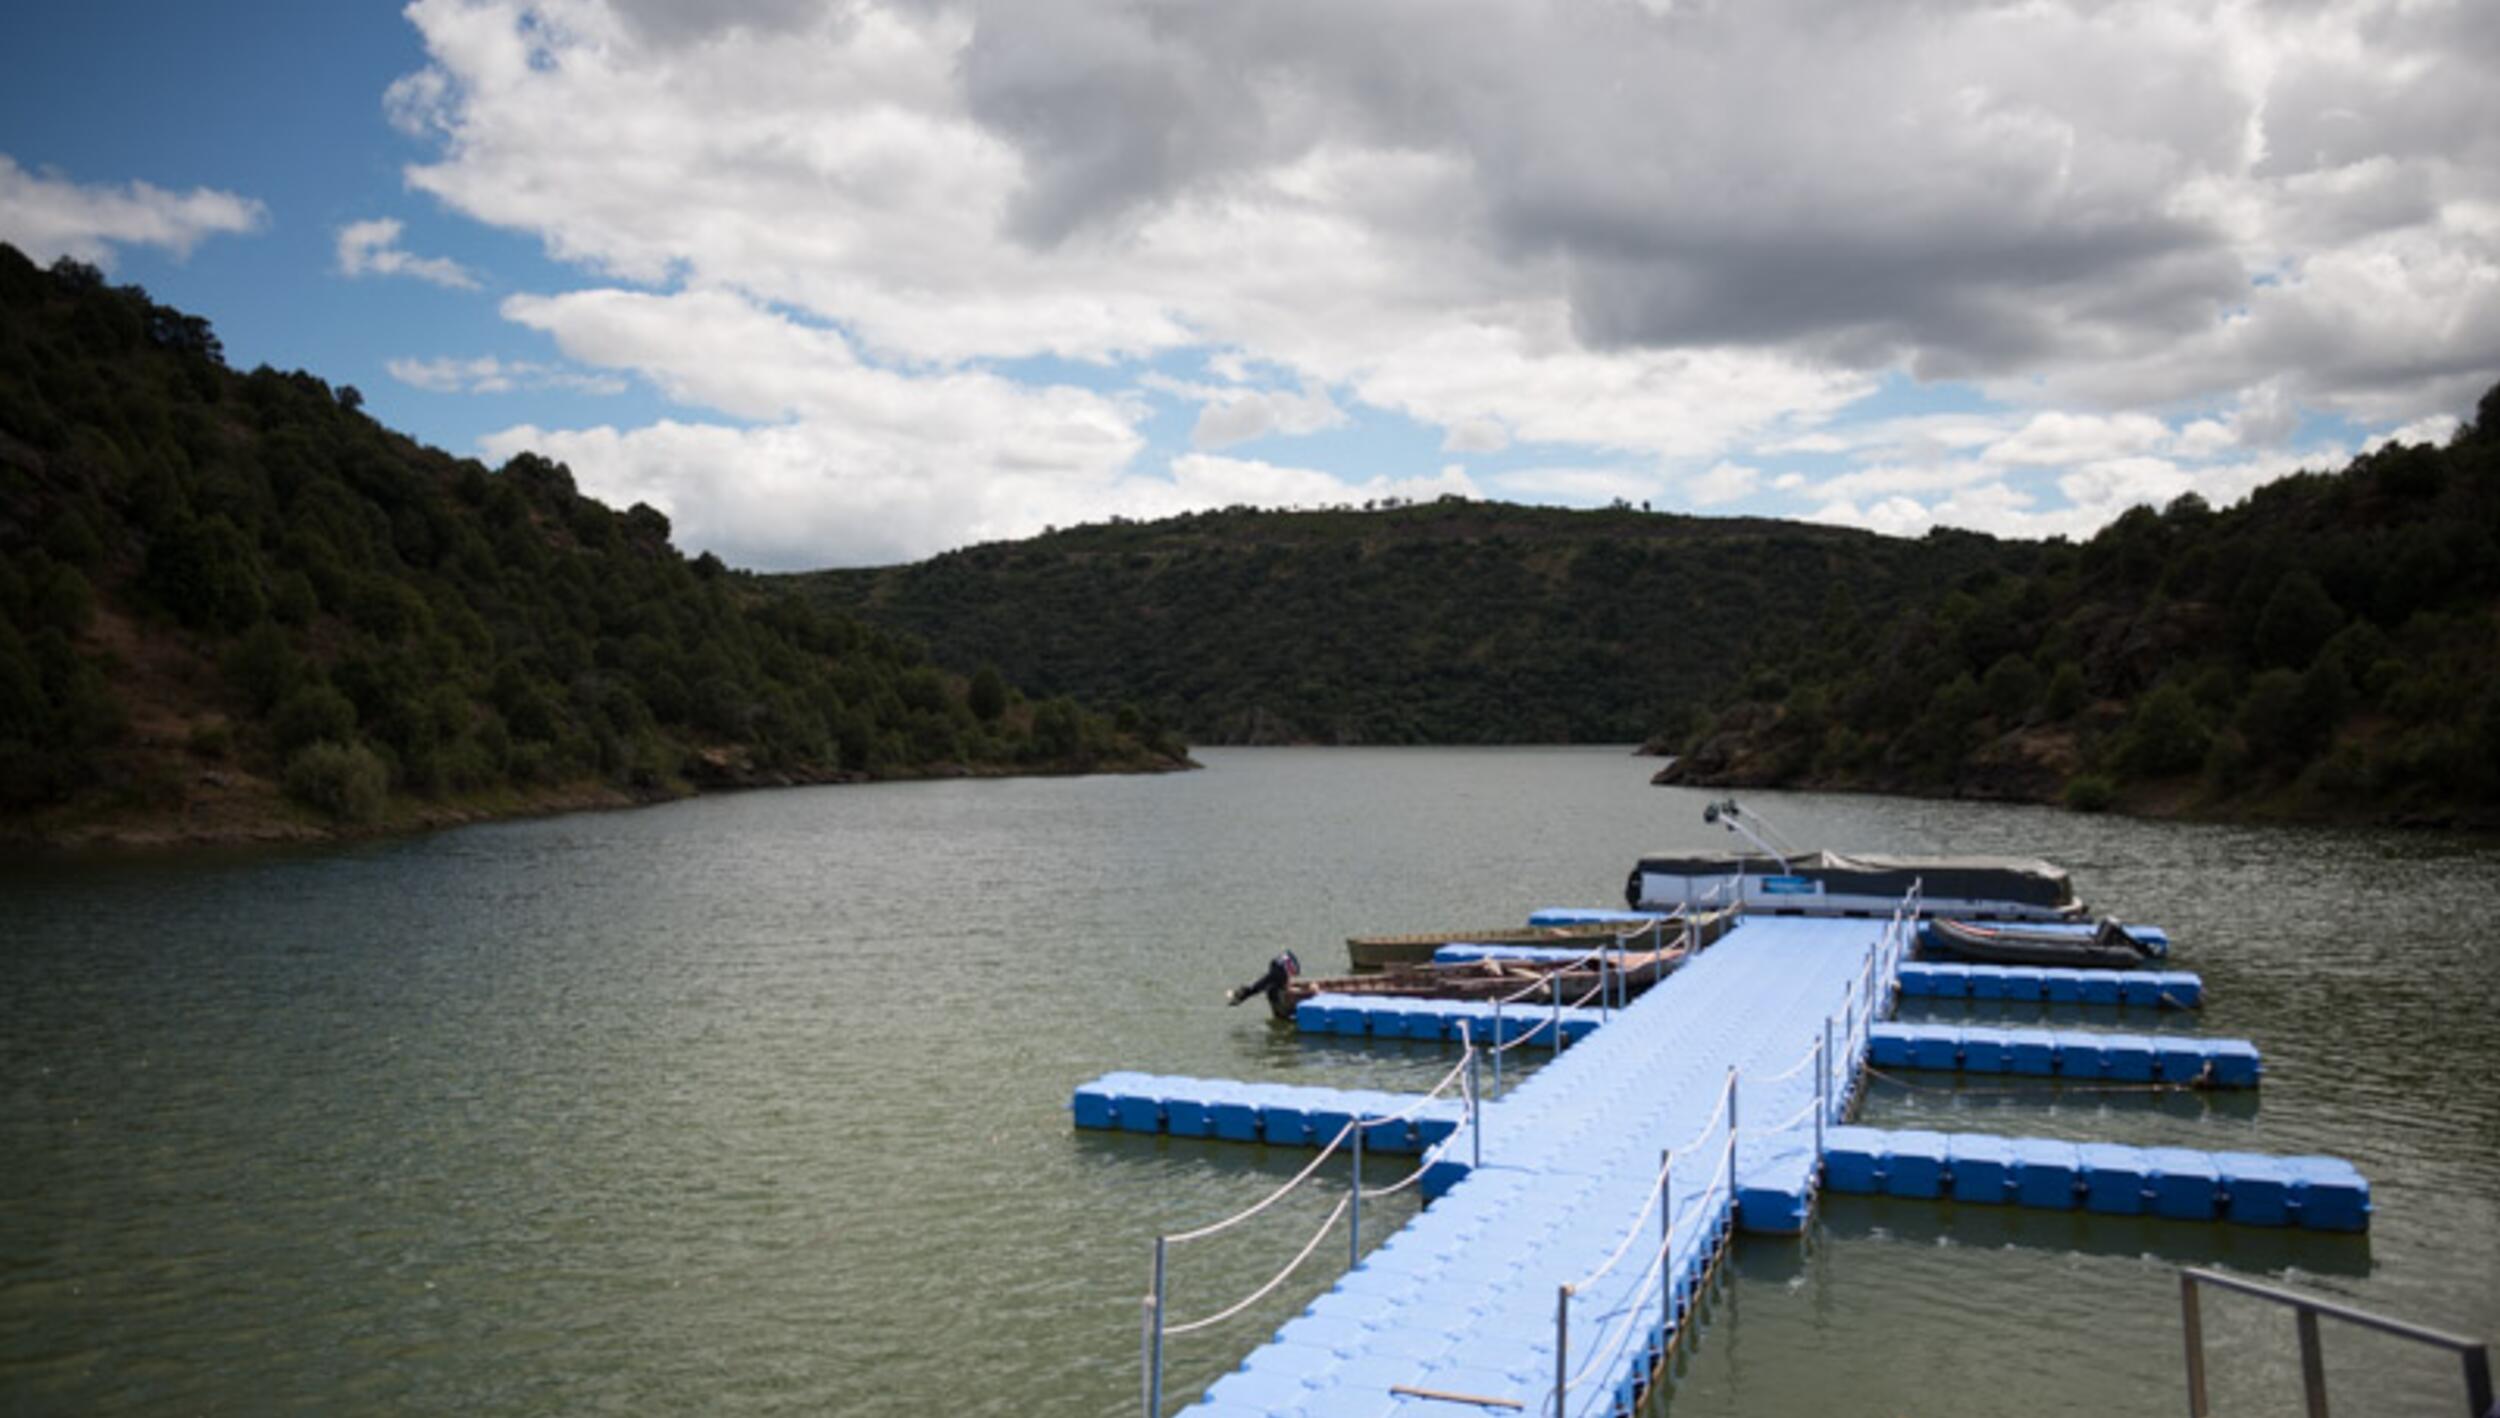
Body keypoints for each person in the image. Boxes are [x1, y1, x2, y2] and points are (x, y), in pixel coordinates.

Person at [1225, 950, 1301, 1009]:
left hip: (1277, 966)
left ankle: (1240, 995)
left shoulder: (1281, 971)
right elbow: (1288, 987)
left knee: (1261, 985)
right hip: (1279, 969)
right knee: (1260, 986)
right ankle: (1240, 995)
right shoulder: (1283, 975)